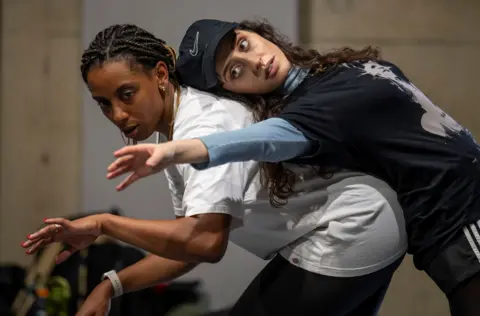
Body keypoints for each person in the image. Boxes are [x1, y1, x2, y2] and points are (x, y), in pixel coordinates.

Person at [21, 23, 407, 316]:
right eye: (104, 104)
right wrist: (112, 284)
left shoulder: (201, 123)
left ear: (159, 75)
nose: (118, 114)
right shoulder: (174, 131)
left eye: (127, 94)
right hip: (362, 224)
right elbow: (185, 248)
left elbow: (206, 243)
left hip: (349, 227)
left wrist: (105, 225)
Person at [108, 19, 480, 315]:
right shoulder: (307, 111)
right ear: (233, 93)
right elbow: (266, 138)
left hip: (463, 207)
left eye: (242, 44)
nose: (254, 61)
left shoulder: (333, 71)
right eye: (234, 73)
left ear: (255, 32)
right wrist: (178, 151)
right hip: (445, 223)